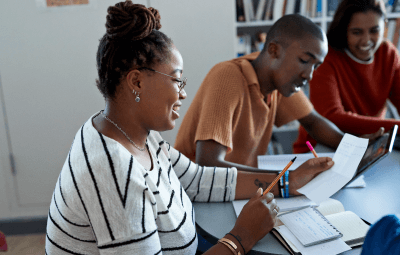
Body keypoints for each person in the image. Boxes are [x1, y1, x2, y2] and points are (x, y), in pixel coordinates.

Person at [45, 1, 284, 254]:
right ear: (136, 81)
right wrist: (242, 236)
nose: (183, 94)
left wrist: (288, 180)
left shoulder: (132, 133)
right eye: (177, 80)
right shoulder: (116, 171)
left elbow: (196, 180)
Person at [175, 14, 381, 197]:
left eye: (315, 66)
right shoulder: (228, 77)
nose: (309, 75)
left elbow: (313, 122)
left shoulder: (278, 81)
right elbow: (209, 164)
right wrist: (288, 179)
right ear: (273, 50)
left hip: (238, 190)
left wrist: (356, 148)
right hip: (198, 195)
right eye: (303, 60)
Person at [294, 0, 400, 153]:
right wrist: (396, 127)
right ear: (344, 30)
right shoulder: (326, 57)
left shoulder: (388, 54)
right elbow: (332, 116)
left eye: (374, 30)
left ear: (384, 26)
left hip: (369, 144)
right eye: (356, 32)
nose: (366, 40)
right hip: (322, 148)